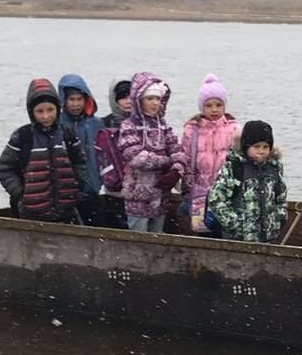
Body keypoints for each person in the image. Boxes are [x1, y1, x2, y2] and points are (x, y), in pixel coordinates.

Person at [0, 78, 87, 223]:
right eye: (40, 111)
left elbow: (80, 161)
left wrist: (76, 185)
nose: (46, 116)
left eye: (50, 110)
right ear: (31, 112)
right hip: (32, 212)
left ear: (58, 108)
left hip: (67, 209)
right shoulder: (23, 136)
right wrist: (20, 193)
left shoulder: (67, 133)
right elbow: (4, 168)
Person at [117, 72, 187, 233]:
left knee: (157, 238)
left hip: (160, 194)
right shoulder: (129, 125)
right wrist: (167, 162)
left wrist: (176, 170)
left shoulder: (163, 125)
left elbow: (177, 151)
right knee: (138, 239)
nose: (155, 103)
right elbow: (135, 157)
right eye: (150, 98)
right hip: (137, 194)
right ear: (139, 100)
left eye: (157, 98)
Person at [180, 74, 242, 236]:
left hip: (226, 193)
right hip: (200, 191)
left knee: (227, 231)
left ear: (224, 105)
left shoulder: (234, 129)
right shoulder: (192, 130)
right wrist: (186, 188)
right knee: (202, 231)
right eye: (208, 105)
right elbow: (186, 159)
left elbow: (240, 161)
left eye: (218, 105)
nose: (214, 109)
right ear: (202, 107)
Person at [207, 120, 287, 243]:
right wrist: (235, 224)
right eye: (256, 146)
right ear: (246, 146)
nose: (261, 151)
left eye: (266, 147)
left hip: (268, 237)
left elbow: (280, 198)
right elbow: (216, 200)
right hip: (237, 238)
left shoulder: (274, 169)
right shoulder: (234, 168)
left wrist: (278, 220)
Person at [58, 74, 104, 226]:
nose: (76, 104)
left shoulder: (96, 123)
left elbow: (103, 155)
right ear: (63, 100)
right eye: (71, 99)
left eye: (79, 99)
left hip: (93, 189)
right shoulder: (58, 124)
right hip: (67, 192)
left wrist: (100, 180)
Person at [97, 76, 132, 229]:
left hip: (139, 192)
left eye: (131, 96)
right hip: (113, 191)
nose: (128, 101)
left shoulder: (144, 123)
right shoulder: (103, 124)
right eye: (123, 97)